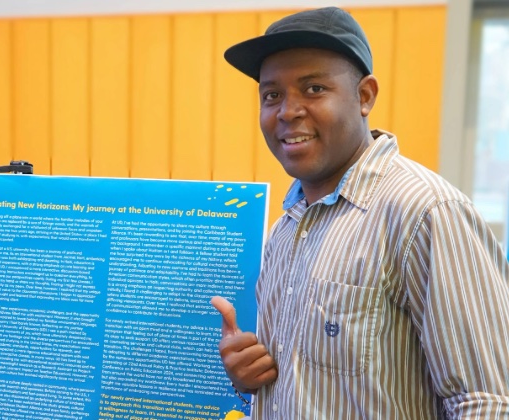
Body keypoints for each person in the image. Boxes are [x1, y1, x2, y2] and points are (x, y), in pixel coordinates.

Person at [211, 6, 509, 418]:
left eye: (313, 88)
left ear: (364, 96)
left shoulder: (425, 213)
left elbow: (487, 402)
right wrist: (250, 381)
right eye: (271, 95)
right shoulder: (285, 230)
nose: (287, 111)